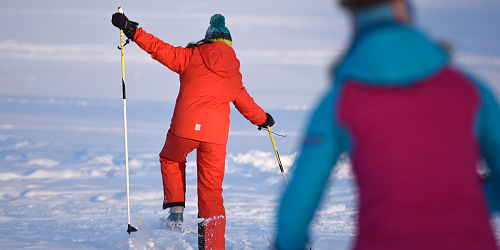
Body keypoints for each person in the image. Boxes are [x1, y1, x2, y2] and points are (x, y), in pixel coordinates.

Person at [275, 0, 500, 249]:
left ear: (354, 24)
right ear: (401, 10)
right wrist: (461, 198)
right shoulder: (469, 90)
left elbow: (297, 208)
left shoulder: (340, 102)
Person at [111, 12, 275, 250]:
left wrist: (132, 30)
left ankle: (176, 212)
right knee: (211, 193)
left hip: (185, 128)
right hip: (216, 138)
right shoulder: (233, 73)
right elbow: (246, 104)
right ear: (228, 44)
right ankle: (214, 245)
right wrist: (264, 119)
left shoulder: (191, 56)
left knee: (170, 158)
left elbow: (159, 49)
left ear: (208, 39)